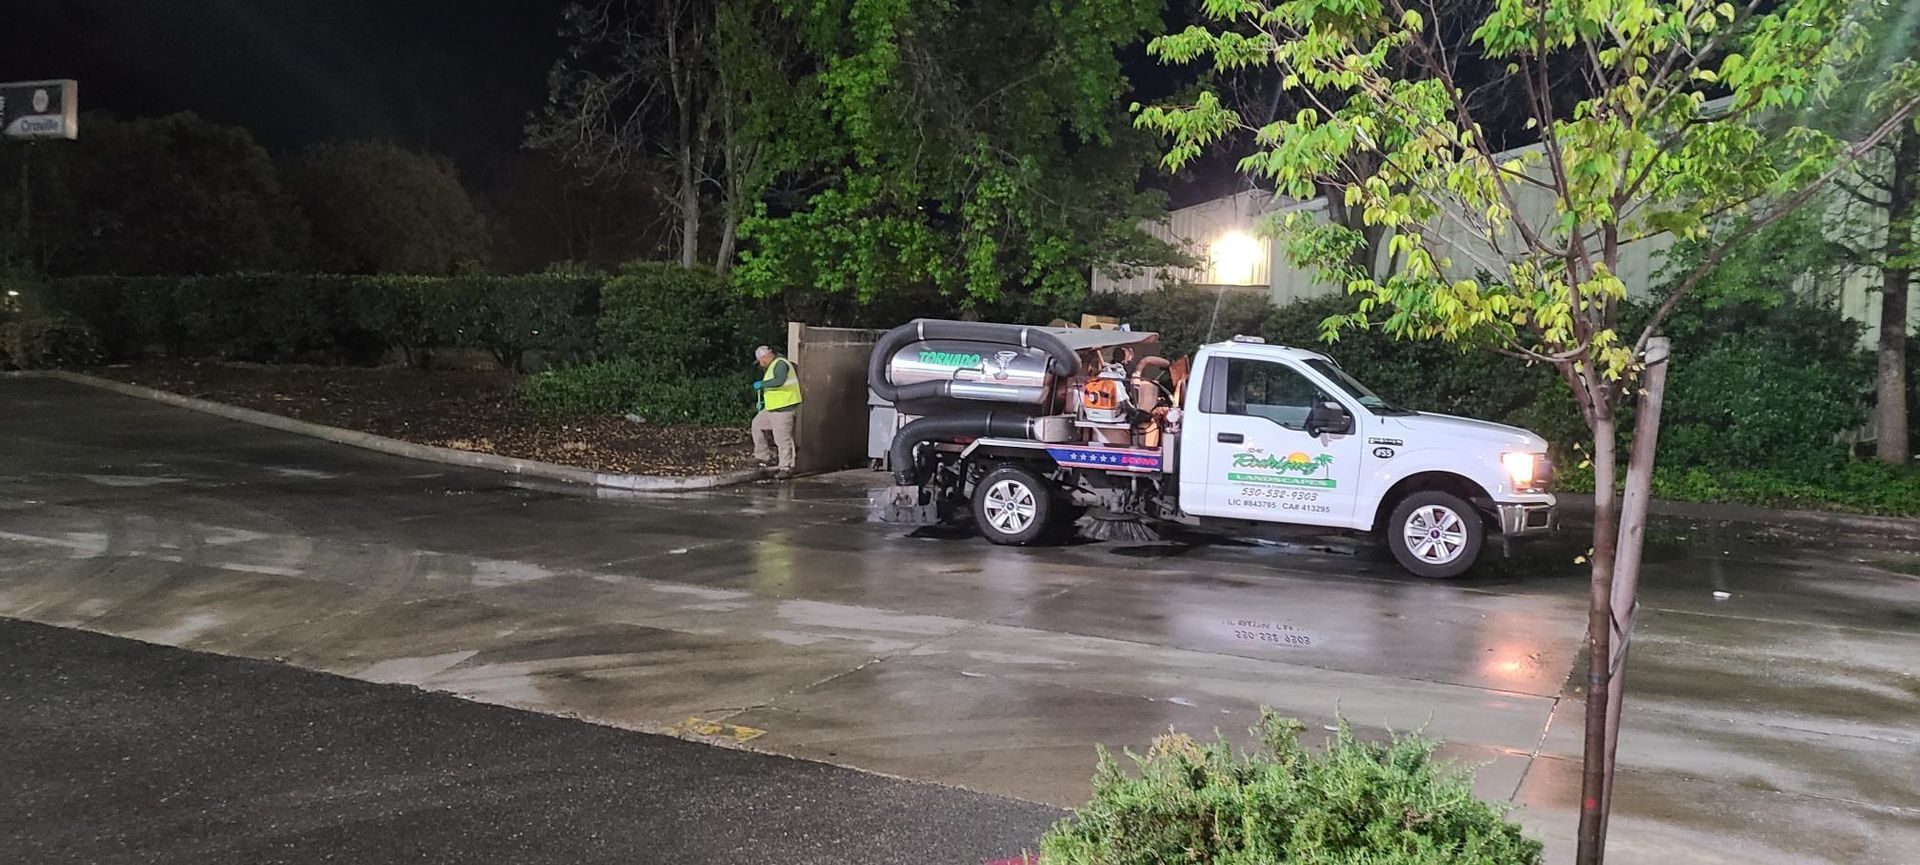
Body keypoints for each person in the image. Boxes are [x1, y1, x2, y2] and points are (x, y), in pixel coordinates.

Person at [750, 345, 802, 478]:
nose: (760, 364)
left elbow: (779, 381)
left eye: (760, 361)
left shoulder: (780, 364)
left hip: (784, 409)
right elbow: (774, 390)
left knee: (782, 438)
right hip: (772, 408)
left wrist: (762, 384)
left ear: (764, 357)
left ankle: (786, 467)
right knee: (757, 424)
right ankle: (763, 456)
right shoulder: (772, 366)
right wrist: (763, 403)